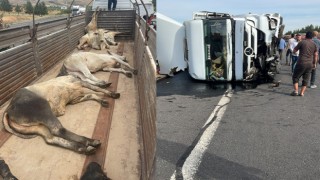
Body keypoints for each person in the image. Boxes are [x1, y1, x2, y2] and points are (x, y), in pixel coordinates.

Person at [290, 31, 318, 96]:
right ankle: (302, 93)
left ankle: (296, 91)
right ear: (312, 37)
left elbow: (294, 50)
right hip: (309, 64)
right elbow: (316, 55)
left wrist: (294, 52)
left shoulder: (302, 42)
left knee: (295, 77)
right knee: (306, 79)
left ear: (306, 36)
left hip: (301, 62)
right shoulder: (314, 44)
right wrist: (314, 63)